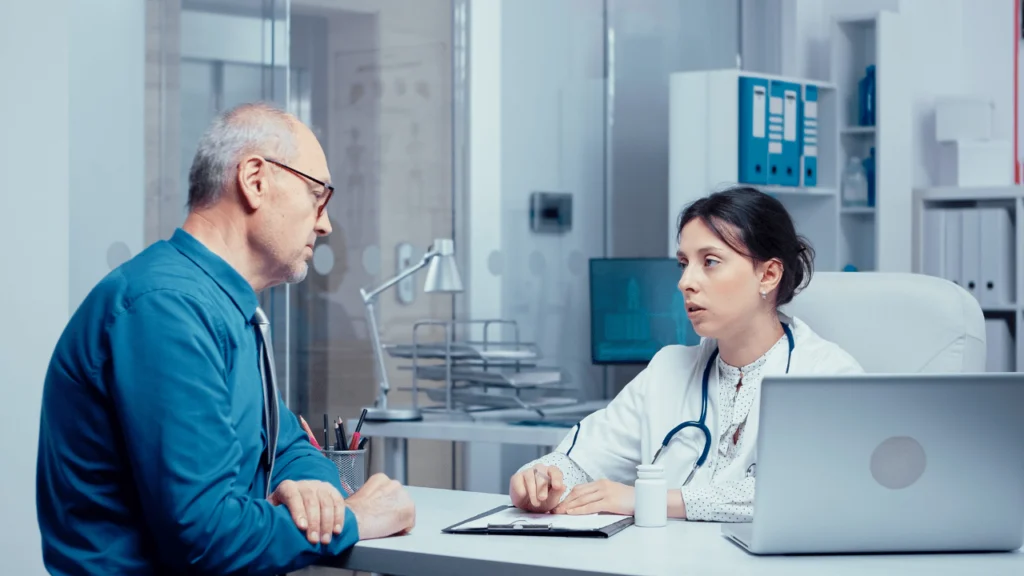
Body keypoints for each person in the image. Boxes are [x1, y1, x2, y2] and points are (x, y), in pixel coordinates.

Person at [36, 102, 415, 575]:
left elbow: (288, 445)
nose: (325, 223)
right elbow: (205, 537)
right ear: (255, 180)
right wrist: (355, 519)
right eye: (317, 194)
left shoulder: (226, 308)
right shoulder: (165, 309)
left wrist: (318, 491)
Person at [509, 186, 864, 523]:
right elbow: (582, 460)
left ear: (768, 274)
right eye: (683, 263)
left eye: (709, 261)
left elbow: (808, 491)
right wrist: (540, 479)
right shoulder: (668, 369)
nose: (685, 282)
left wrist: (649, 500)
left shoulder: (827, 374)